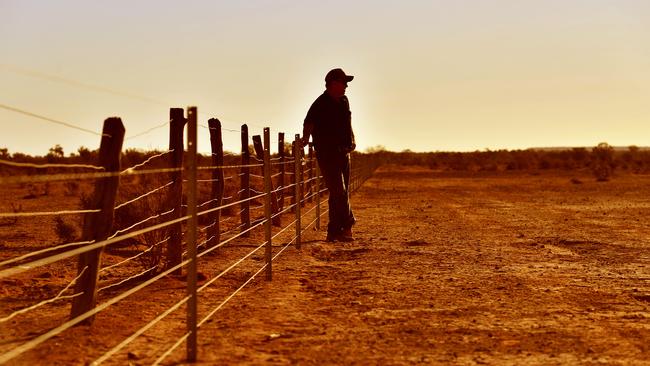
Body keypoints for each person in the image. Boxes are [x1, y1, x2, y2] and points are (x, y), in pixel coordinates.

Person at [301, 68, 356, 242]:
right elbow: (308, 122)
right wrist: (305, 139)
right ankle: (347, 226)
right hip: (328, 153)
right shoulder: (320, 104)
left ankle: (334, 231)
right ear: (333, 83)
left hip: (344, 153)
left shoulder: (344, 101)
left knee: (340, 192)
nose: (346, 86)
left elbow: (348, 122)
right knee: (339, 190)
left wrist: (352, 139)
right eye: (343, 82)